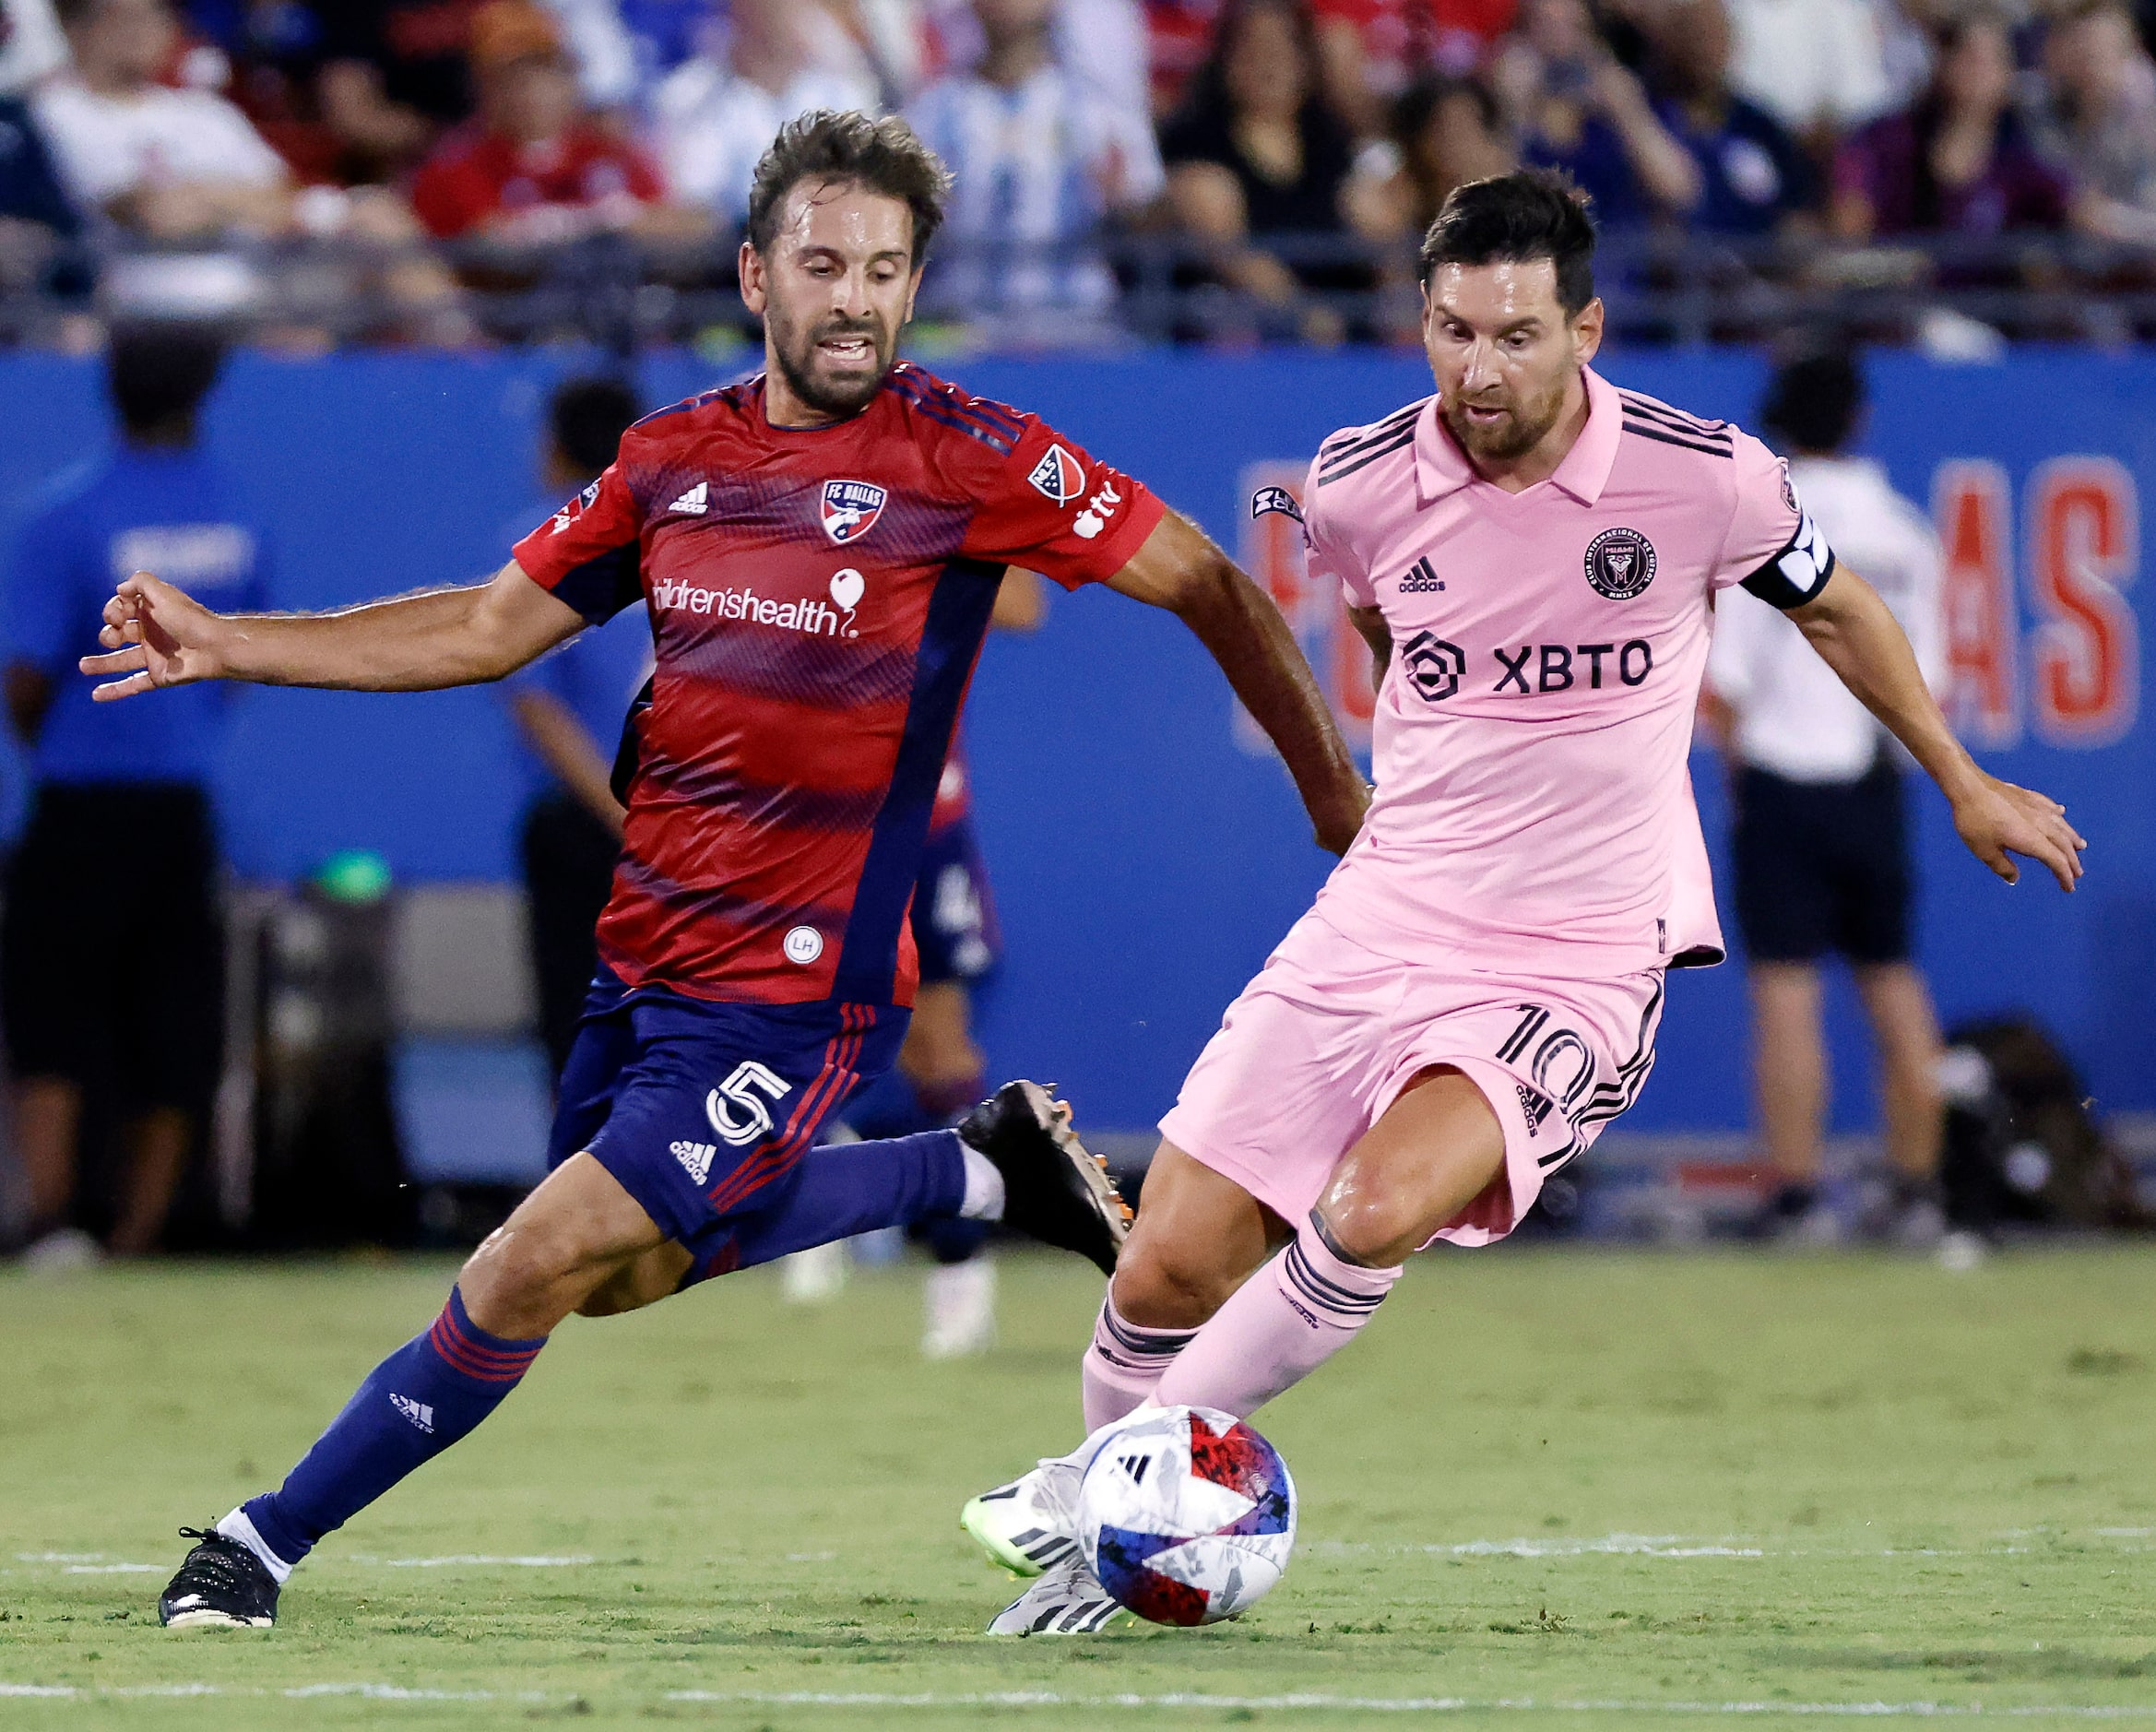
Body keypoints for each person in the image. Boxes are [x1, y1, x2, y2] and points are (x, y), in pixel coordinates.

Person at [107, 108, 1366, 1630]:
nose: (854, 298)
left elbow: (1215, 582)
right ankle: (969, 1165)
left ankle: (258, 1540)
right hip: (643, 954)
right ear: (756, 275)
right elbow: (481, 629)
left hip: (795, 981)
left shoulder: (969, 454)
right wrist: (231, 642)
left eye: (885, 270)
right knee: (624, 1276)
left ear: (913, 289)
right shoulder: (668, 460)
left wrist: (1328, 796)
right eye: (823, 263)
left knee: (530, 1258)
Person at [962, 168, 2084, 1634]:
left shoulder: (1705, 476)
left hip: (1576, 950)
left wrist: (1960, 776)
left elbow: (1837, 607)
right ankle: (1123, 1538)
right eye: (1450, 332)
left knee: (1367, 1210)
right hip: (1386, 911)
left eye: (1512, 336)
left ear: (1585, 329)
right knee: (1171, 1252)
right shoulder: (1355, 481)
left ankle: (1086, 1490)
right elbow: (1376, 615)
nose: (1477, 369)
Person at [3, 322, 268, 1266]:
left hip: (79, 799)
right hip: (178, 799)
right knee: (174, 1013)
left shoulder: (67, 514)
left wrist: (62, 747)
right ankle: (141, 1233)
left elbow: (28, 677)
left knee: (53, 1010)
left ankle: (51, 1222)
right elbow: (239, 661)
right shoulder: (233, 513)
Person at [1700, 350, 1946, 1248]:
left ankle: (1798, 1196)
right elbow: (1928, 680)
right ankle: (1918, 1191)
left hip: (1780, 775)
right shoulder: (1907, 533)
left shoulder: (1764, 524)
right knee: (1892, 981)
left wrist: (1740, 784)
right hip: (1875, 774)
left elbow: (1723, 681)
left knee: (1785, 992)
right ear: (1859, 420)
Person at [499, 374, 650, 1085]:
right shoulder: (677, 533)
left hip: (589, 825)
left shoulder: (541, 543)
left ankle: (582, 1187)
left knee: (578, 1024)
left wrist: (618, 817)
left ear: (554, 449)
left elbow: (538, 709)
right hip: (675, 823)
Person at [906, 0, 1165, 344]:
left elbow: (1154, 223)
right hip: (960, 323)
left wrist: (1124, 206)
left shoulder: (1100, 110)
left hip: (1080, 324)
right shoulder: (930, 113)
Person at [409, 0, 703, 244]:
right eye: (512, 79)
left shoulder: (611, 154)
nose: (531, 91)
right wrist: (596, 222)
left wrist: (620, 220)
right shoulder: (458, 165)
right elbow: (486, 244)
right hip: (515, 310)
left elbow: (684, 224)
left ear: (570, 81)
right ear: (483, 89)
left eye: (545, 73)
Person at [35, 0, 295, 241]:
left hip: (239, 281)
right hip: (109, 280)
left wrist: (198, 198)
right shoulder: (48, 114)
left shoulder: (207, 112)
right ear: (76, 27)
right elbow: (139, 209)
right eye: (126, 18)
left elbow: (283, 200)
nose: (142, 31)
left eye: (156, 15)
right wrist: (232, 201)